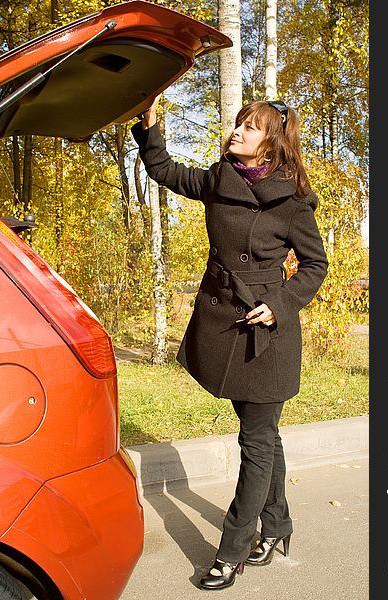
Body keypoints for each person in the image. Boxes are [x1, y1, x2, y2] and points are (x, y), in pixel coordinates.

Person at [131, 95, 328, 590]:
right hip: (225, 326)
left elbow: (314, 266)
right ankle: (279, 524)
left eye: (250, 127)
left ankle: (233, 549)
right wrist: (149, 123)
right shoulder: (220, 179)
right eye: (239, 123)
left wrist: (280, 304)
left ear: (272, 142)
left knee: (256, 442)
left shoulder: (293, 201)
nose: (237, 131)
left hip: (268, 334)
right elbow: (164, 170)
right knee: (263, 436)